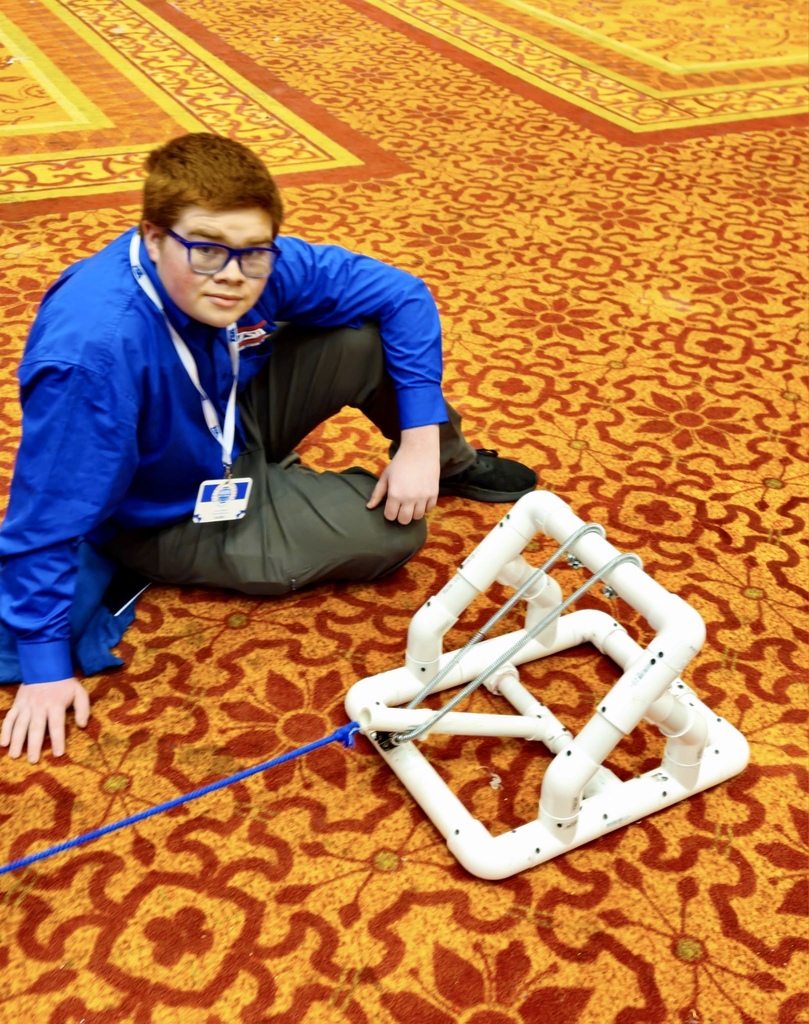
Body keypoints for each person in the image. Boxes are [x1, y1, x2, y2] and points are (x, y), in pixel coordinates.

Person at [0, 132, 536, 764]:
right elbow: (45, 517)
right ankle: (269, 506)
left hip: (233, 419)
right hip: (164, 510)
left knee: (363, 339)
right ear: (150, 237)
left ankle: (450, 464)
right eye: (204, 250)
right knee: (394, 536)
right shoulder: (93, 355)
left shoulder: (257, 264)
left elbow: (403, 294)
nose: (231, 277)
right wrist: (42, 665)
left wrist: (419, 442)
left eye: (253, 253)